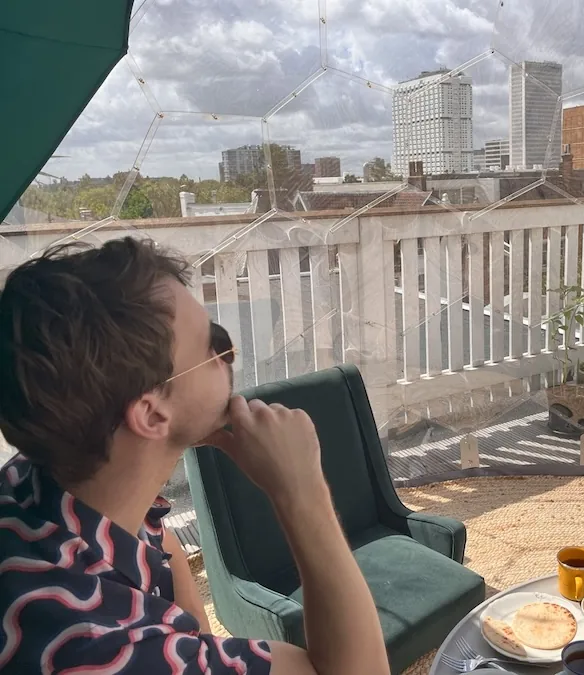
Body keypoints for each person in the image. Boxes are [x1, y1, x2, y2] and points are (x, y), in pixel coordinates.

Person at [0, 237, 390, 675]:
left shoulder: (29, 484)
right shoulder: (109, 654)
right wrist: (303, 491)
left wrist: (192, 631)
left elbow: (159, 543)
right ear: (150, 413)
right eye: (214, 346)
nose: (227, 358)